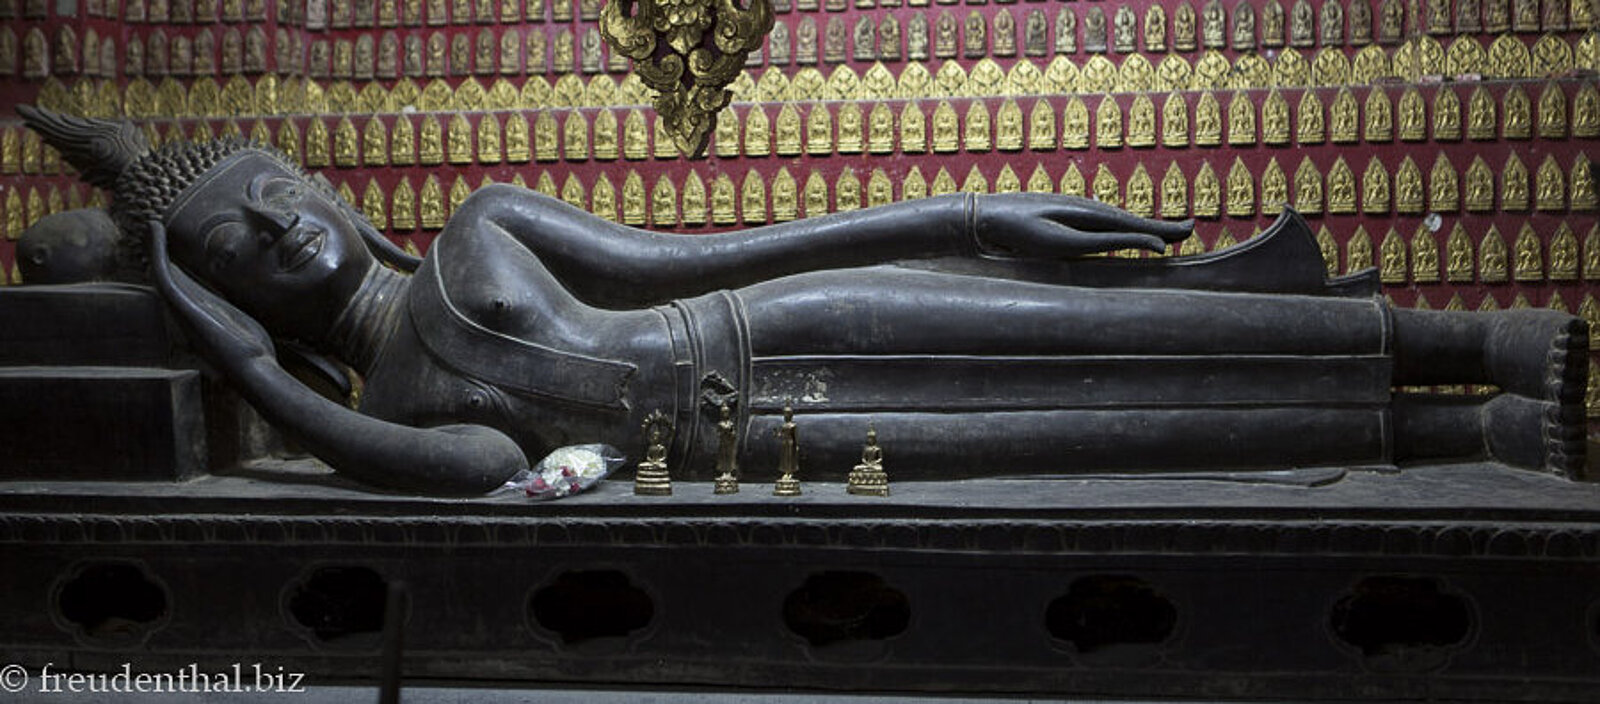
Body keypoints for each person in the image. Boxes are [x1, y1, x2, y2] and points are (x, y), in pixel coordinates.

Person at [19, 106, 1588, 496]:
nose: (285, 233)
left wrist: (967, 215)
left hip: (793, 327)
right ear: (227, 301)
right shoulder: (404, 412)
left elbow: (725, 256)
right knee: (1098, 432)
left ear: (332, 186)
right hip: (775, 444)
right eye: (238, 247)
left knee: (1123, 329)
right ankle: (1468, 425)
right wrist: (244, 359)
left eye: (280, 194)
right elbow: (487, 475)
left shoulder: (481, 233)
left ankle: (1476, 342)